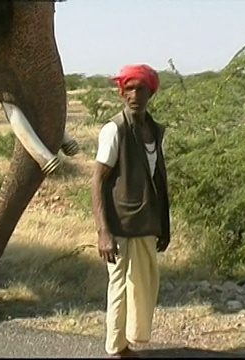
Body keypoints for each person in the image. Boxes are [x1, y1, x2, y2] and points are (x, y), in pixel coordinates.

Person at [90, 64, 171, 358]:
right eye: (129, 88)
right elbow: (97, 181)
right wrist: (103, 232)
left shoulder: (154, 130)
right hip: (120, 223)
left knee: (143, 285)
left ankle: (127, 341)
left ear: (151, 92)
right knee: (120, 286)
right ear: (121, 92)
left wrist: (163, 225)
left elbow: (157, 182)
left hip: (146, 222)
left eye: (141, 88)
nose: (134, 94)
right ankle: (116, 348)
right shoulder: (115, 129)